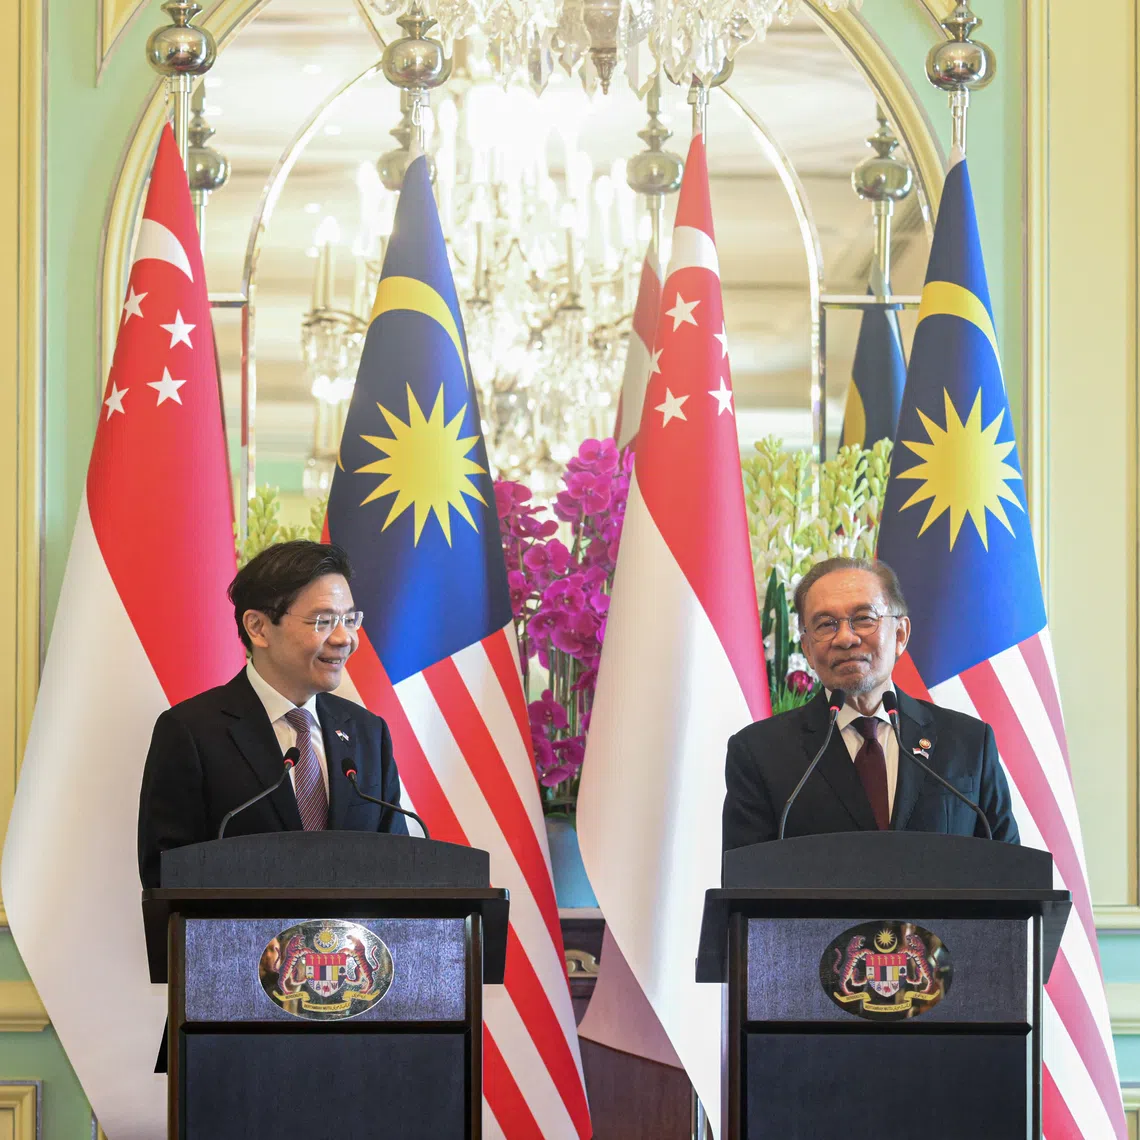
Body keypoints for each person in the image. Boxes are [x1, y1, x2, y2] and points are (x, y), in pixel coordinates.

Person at [138, 540, 408, 888]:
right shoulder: (191, 732)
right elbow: (167, 878)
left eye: (349, 619)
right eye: (324, 621)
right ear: (258, 628)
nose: (345, 638)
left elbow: (400, 865)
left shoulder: (367, 732)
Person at [722, 556, 1019, 852]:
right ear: (808, 650)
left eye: (864, 618)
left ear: (900, 634)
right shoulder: (759, 753)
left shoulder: (968, 743)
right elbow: (743, 887)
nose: (845, 638)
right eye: (826, 625)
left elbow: (1013, 877)